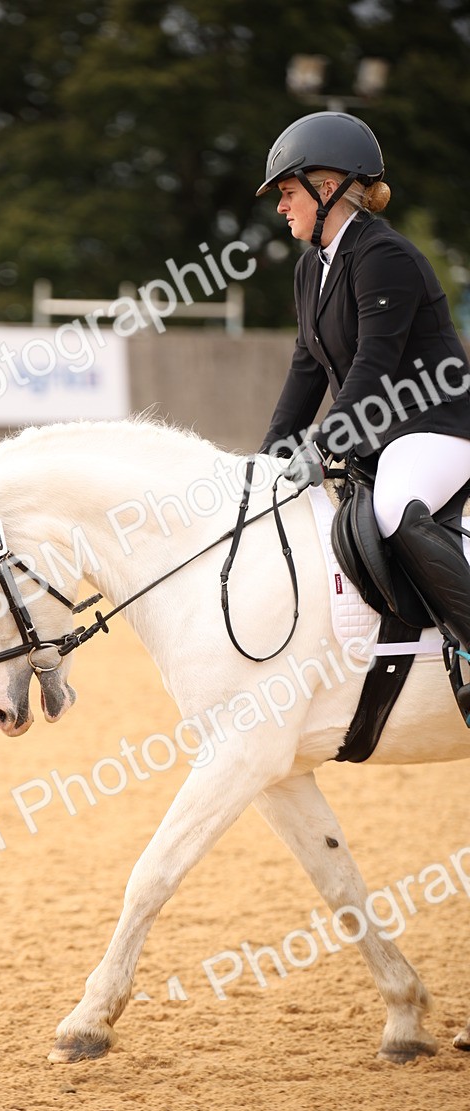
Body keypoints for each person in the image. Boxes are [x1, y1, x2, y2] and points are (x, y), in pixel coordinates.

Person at [256, 109, 470, 685]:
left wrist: (325, 443)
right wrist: (268, 455)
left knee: (394, 507)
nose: (281, 206)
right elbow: (307, 370)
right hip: (382, 436)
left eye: (287, 192)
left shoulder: (385, 256)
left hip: (439, 428)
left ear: (327, 189)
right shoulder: (311, 270)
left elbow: (374, 366)